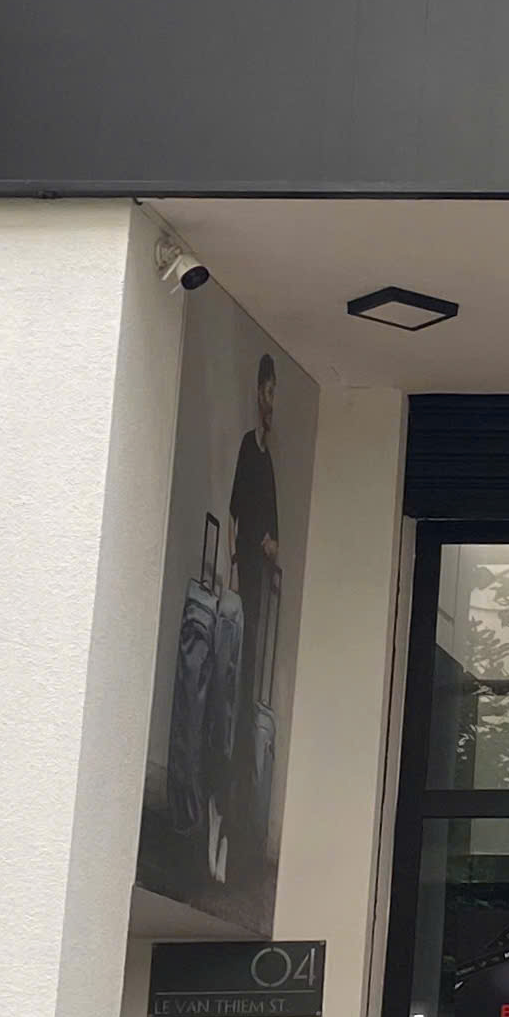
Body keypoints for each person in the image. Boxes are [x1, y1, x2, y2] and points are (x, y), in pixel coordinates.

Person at [220, 354, 282, 875]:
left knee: (251, 685)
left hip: (260, 585)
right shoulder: (249, 450)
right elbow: (238, 512)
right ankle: (229, 807)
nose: (270, 403)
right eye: (267, 391)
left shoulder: (269, 461)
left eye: (274, 393)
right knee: (238, 682)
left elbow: (272, 531)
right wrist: (243, 559)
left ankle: (241, 818)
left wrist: (269, 545)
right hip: (248, 581)